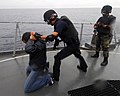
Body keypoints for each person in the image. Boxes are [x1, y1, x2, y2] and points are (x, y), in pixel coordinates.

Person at [43, 9, 88, 81]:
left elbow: (53, 36)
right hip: (75, 42)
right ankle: (84, 67)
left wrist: (40, 37)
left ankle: (55, 77)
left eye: (48, 21)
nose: (48, 23)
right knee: (77, 54)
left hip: (72, 45)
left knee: (57, 57)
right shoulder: (60, 22)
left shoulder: (60, 23)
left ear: (51, 18)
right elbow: (60, 33)